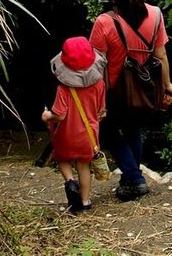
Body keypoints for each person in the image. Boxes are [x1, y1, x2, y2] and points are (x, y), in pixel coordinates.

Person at [88, 0, 172, 201]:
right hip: (146, 86)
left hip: (115, 89)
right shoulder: (156, 14)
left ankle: (135, 178)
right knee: (133, 130)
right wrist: (167, 85)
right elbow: (161, 55)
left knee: (108, 132)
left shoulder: (104, 22)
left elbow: (96, 65)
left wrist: (97, 99)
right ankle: (130, 179)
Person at [41, 36, 107, 213]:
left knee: (62, 158)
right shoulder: (99, 84)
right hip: (89, 133)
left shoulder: (64, 88)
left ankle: (70, 182)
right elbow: (101, 111)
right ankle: (85, 202)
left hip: (66, 134)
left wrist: (47, 116)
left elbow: (59, 115)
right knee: (84, 166)